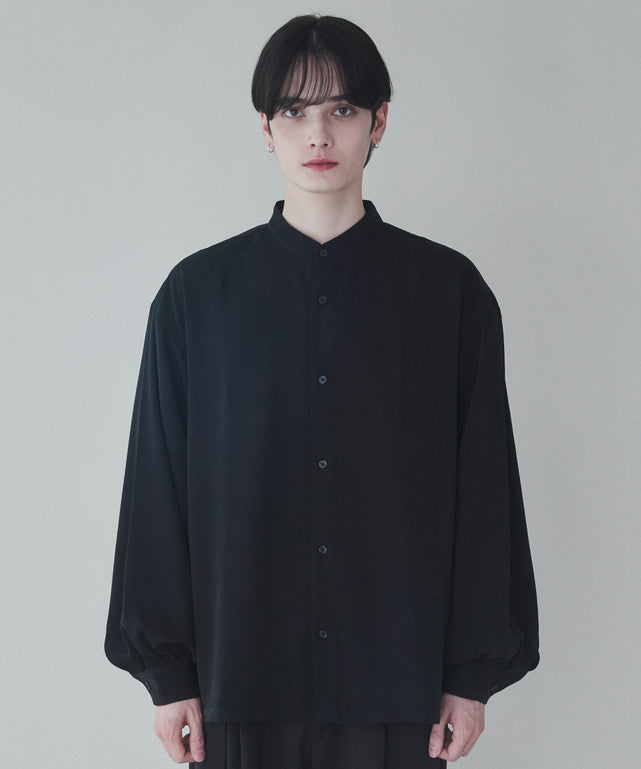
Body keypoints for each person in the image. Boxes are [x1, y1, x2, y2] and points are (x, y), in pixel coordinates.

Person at [104, 13, 540, 768]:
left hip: (400, 690)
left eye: (341, 109)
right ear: (264, 129)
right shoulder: (197, 297)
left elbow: (484, 491)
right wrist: (168, 677)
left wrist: (470, 678)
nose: (317, 135)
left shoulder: (449, 293)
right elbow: (157, 486)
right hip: (238, 685)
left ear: (379, 123)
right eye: (293, 111)